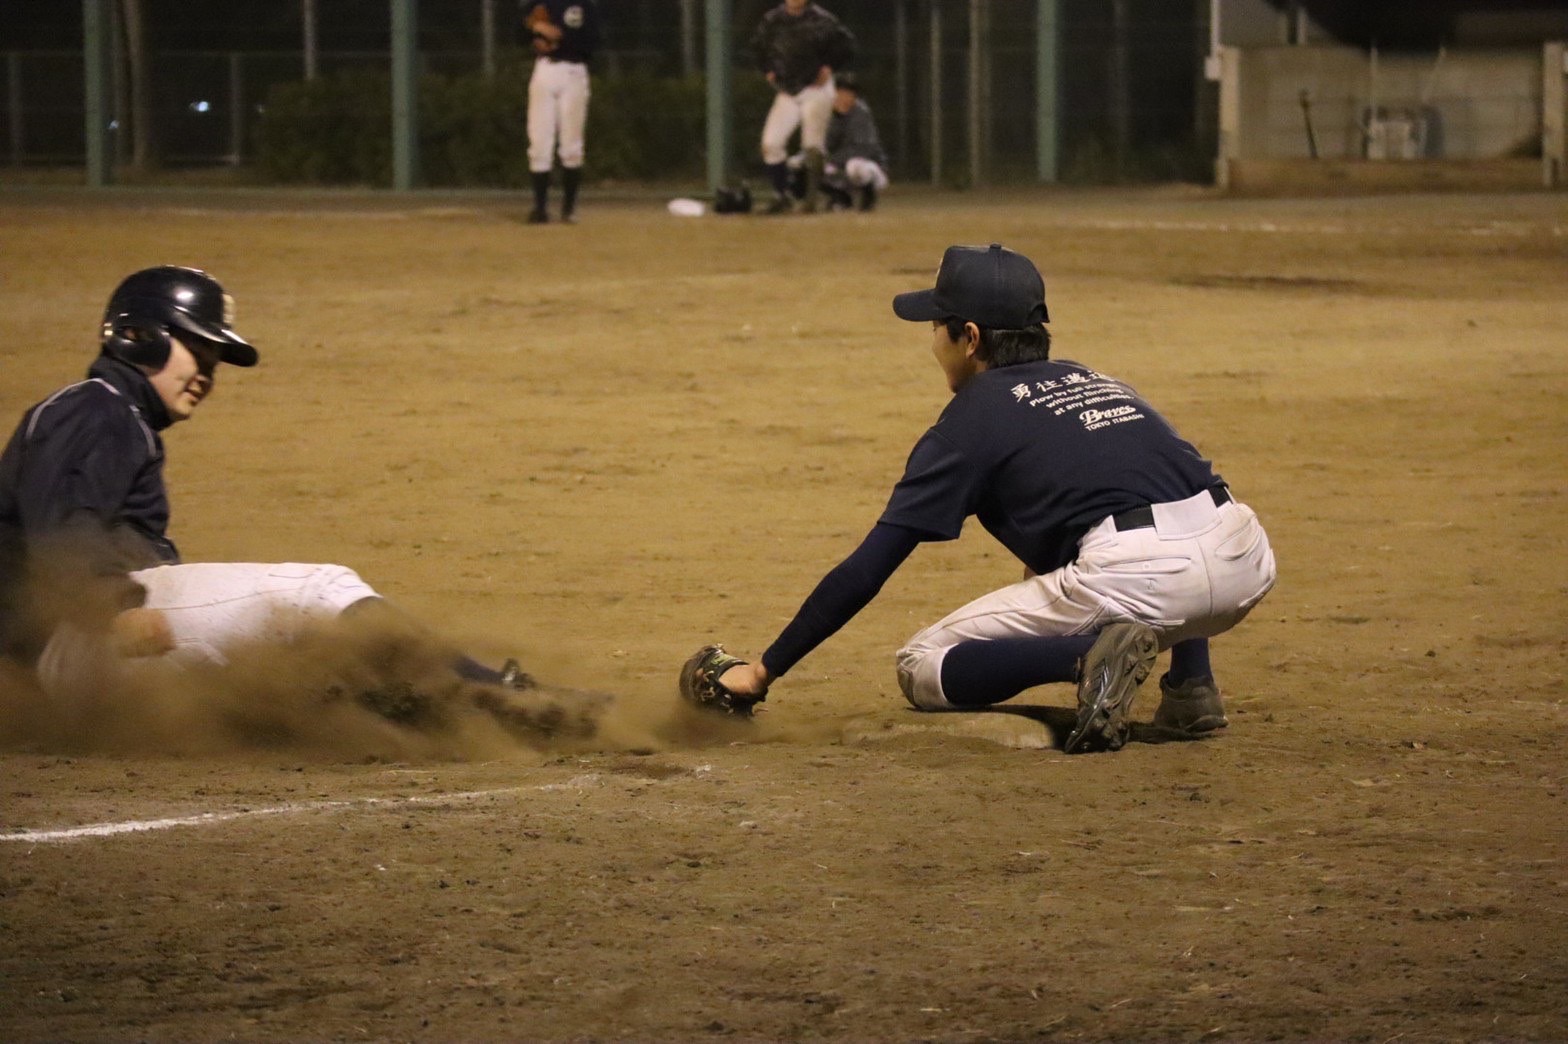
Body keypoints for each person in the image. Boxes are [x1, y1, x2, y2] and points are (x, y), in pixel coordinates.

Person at [703, 244, 1277, 753]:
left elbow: (868, 569)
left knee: (920, 665)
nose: (933, 339)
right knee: (1145, 537)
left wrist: (761, 671)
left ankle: (1088, 658)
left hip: (1140, 577)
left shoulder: (969, 421)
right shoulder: (1094, 379)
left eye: (938, 325)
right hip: (1242, 556)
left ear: (970, 337)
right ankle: (1193, 686)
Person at [0, 266, 591, 737]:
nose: (208, 372)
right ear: (140, 336)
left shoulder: (111, 416)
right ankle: (507, 699)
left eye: (214, 359)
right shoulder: (94, 407)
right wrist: (114, 608)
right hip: (86, 639)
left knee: (309, 668)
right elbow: (65, 530)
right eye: (198, 349)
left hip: (70, 659)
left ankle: (463, 719)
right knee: (319, 594)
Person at [750, 0, 857, 214]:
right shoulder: (773, 20)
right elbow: (757, 47)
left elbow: (847, 45)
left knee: (812, 147)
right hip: (788, 90)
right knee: (771, 144)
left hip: (816, 89)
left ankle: (811, 199)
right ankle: (782, 196)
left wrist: (829, 66)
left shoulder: (822, 19)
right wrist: (767, 68)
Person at [521, 0, 601, 225]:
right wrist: (537, 32)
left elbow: (591, 43)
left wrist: (559, 39)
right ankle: (540, 209)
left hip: (574, 72)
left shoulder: (585, 5)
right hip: (544, 69)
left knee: (571, 144)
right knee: (539, 141)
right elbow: (520, 30)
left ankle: (569, 208)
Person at [820, 72, 888, 211]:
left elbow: (863, 150)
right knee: (816, 167)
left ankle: (869, 195)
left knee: (855, 166)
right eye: (841, 91)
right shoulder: (834, 113)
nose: (845, 96)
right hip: (844, 163)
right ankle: (843, 199)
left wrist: (835, 161)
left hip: (872, 167)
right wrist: (838, 117)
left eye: (849, 92)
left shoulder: (861, 112)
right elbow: (828, 145)